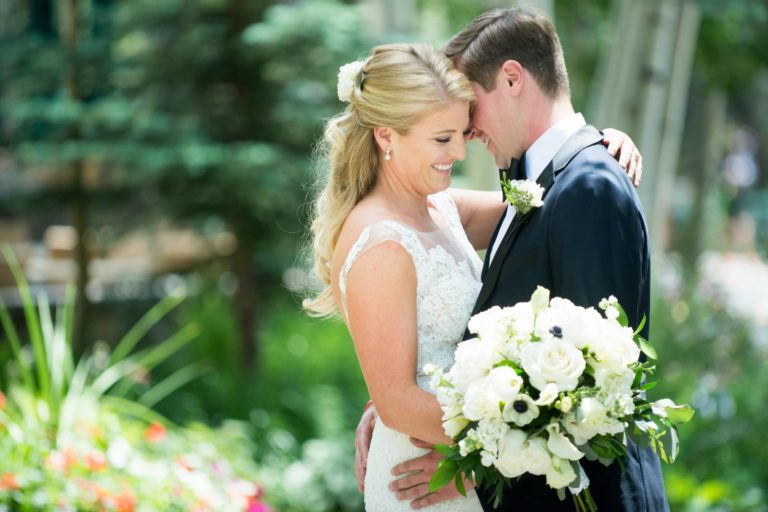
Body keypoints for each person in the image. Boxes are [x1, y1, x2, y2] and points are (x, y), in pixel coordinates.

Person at [354, 7, 668, 512]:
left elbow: (598, 389)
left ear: (512, 78)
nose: (466, 132)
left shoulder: (590, 185)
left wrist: (477, 461)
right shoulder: (534, 179)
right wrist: (396, 398)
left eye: (469, 109)